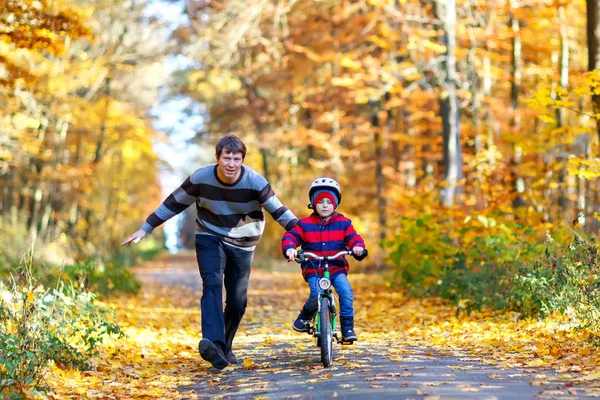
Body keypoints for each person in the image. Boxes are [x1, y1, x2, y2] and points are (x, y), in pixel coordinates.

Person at [122, 134, 297, 370]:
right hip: (209, 235)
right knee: (212, 283)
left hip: (244, 241)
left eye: (236, 159)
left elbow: (279, 211)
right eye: (227, 157)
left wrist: (305, 235)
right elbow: (174, 202)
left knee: (237, 301)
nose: (231, 164)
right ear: (218, 158)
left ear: (242, 160)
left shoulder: (255, 182)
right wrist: (147, 227)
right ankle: (214, 344)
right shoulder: (201, 178)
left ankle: (225, 346)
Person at [282, 177, 366, 342]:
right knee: (316, 293)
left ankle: (348, 328)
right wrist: (290, 248)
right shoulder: (304, 224)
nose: (325, 205)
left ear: (335, 204)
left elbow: (354, 238)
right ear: (313, 203)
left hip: (336, 267)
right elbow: (290, 236)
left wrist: (357, 247)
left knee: (346, 292)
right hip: (314, 267)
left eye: (329, 201)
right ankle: (305, 316)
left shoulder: (343, 223)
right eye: (320, 201)